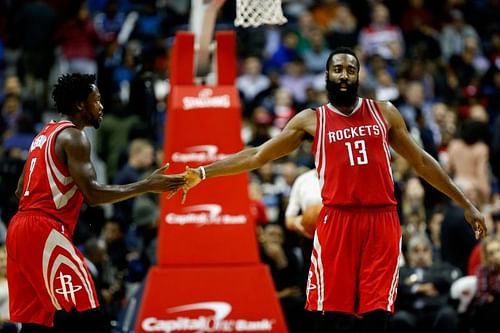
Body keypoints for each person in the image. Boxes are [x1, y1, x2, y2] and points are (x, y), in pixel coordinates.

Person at [179, 47, 487, 333]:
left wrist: (465, 203)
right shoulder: (312, 120)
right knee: (334, 317)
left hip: (382, 220)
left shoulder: (385, 112)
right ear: (327, 76)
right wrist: (205, 172)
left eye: (350, 70)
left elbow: (421, 162)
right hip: (338, 221)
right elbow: (258, 155)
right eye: (337, 69)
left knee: (377, 313)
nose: (343, 75)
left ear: (357, 76)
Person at [6, 73, 184, 333]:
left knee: (39, 323)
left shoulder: (43, 135)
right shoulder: (73, 137)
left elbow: (20, 189)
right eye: (96, 100)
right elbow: (94, 194)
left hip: (19, 229)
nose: (101, 107)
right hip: (42, 229)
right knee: (90, 315)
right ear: (80, 104)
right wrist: (147, 185)